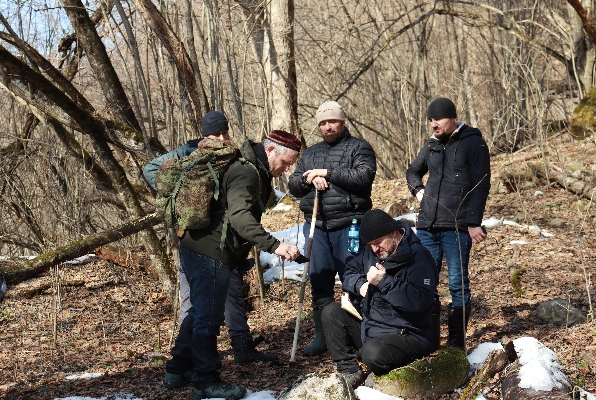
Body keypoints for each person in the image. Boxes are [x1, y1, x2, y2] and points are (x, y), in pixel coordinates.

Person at [146, 113, 302, 400]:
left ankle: (177, 370)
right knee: (209, 317)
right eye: (285, 163)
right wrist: (275, 245)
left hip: (195, 245)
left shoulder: (250, 168)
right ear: (270, 150)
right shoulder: (246, 171)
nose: (285, 170)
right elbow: (241, 218)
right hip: (210, 252)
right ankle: (207, 381)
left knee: (197, 312)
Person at [288, 100, 376, 356]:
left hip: (350, 225)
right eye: (323, 123)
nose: (328, 127)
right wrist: (309, 177)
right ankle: (324, 336)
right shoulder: (310, 153)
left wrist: (327, 172)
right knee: (319, 281)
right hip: (317, 226)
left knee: (354, 279)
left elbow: (363, 177)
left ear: (343, 122)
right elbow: (294, 184)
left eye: (333, 122)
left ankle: (360, 333)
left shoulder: (359, 147)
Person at [406, 97, 491, 350]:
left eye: (438, 119)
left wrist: (474, 222)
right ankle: (428, 339)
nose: (434, 124)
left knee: (457, 283)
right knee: (424, 281)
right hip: (427, 226)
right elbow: (412, 171)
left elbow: (481, 184)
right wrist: (419, 191)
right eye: (430, 120)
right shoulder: (431, 146)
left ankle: (457, 344)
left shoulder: (473, 143)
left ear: (453, 118)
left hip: (457, 226)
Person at [322, 209, 438, 388]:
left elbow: (419, 302)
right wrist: (361, 286)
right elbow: (349, 272)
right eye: (370, 244)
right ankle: (349, 371)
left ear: (393, 233)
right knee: (332, 312)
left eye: (378, 243)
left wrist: (384, 282)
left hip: (409, 333)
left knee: (373, 353)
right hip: (373, 326)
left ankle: (380, 376)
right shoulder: (372, 253)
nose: (375, 249)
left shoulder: (419, 257)